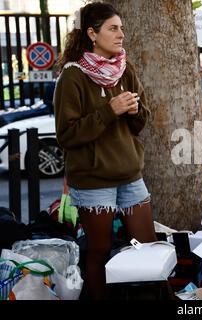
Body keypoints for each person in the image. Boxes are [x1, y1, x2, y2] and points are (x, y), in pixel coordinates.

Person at [54, 2, 157, 300]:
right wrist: (109, 111)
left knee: (147, 247)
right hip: (93, 180)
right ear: (91, 33)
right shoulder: (72, 77)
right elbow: (67, 135)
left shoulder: (126, 69)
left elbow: (138, 125)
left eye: (121, 28)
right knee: (99, 251)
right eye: (113, 28)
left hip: (129, 174)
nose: (121, 34)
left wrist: (135, 112)